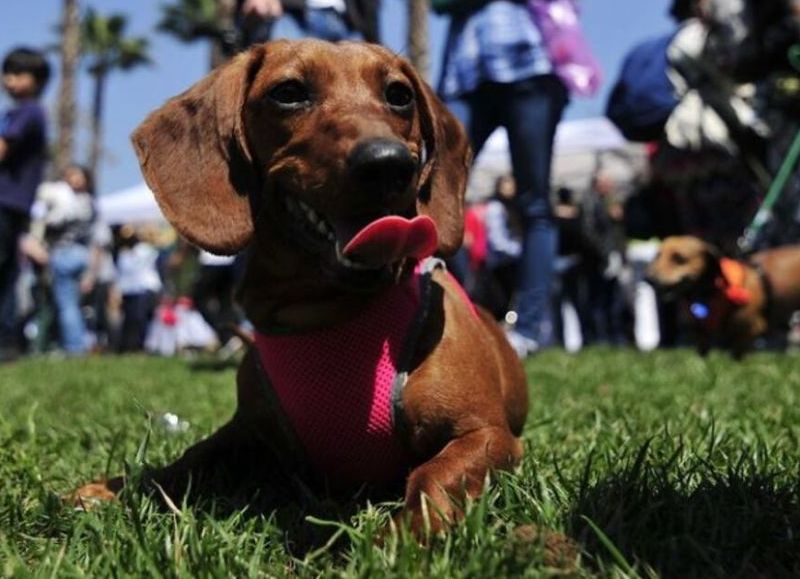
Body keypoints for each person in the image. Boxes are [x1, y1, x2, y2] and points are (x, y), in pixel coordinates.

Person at [436, 0, 570, 356]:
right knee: (435, 190)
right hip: (465, 70)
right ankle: (465, 311)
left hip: (530, 62)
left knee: (535, 204)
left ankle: (527, 330)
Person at [0, 47, 50, 361]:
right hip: (15, 204)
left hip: (5, 201)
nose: (9, 80)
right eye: (7, 73)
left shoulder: (27, 112)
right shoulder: (21, 112)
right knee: (7, 272)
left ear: (37, 80)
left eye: (18, 74)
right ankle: (6, 342)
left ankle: (6, 340)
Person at [31, 165, 96, 354]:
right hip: (82, 254)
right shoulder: (90, 202)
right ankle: (72, 342)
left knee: (67, 305)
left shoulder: (63, 197)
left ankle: (74, 347)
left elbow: (52, 220)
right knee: (76, 304)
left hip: (64, 253)